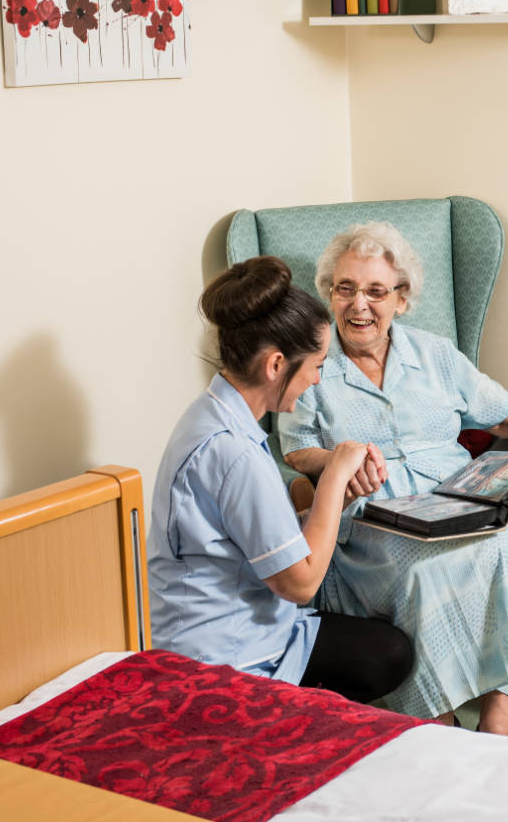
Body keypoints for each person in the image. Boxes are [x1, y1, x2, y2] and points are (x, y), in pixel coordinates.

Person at [278, 222, 508, 736]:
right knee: (424, 573)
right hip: (373, 516)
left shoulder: (436, 355)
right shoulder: (313, 363)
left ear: (401, 300)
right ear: (330, 295)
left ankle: (497, 702)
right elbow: (296, 450)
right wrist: (336, 464)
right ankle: (435, 715)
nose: (359, 305)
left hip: (458, 498)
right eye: (346, 289)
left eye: (376, 291)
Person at [148, 255, 414, 704]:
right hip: (227, 655)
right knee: (388, 655)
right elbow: (301, 583)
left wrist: (339, 499)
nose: (316, 379)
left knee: (386, 652)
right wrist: (333, 476)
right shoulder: (232, 452)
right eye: (315, 365)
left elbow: (257, 535)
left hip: (245, 622)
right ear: (275, 366)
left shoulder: (212, 414)